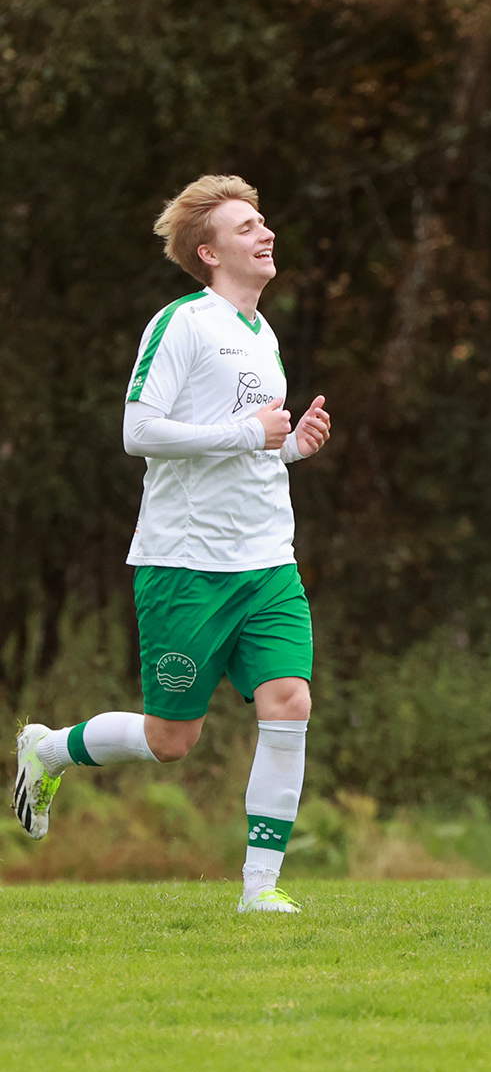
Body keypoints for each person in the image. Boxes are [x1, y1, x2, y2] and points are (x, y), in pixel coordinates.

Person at [12, 175, 332, 914]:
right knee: (171, 740)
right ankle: (49, 749)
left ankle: (260, 891)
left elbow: (247, 447)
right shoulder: (182, 323)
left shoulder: (264, 334)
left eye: (262, 221)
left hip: (267, 560)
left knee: (290, 700)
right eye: (246, 227)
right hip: (185, 564)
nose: (266, 233)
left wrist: (291, 449)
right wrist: (250, 433)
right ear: (209, 252)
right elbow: (139, 431)